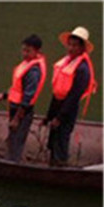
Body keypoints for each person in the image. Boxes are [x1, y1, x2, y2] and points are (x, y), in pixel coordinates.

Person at [44, 26, 97, 166]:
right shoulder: (66, 62)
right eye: (70, 44)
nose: (71, 48)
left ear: (82, 48)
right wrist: (49, 116)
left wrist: (59, 117)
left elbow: (74, 96)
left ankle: (60, 166)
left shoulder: (82, 69)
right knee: (53, 139)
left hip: (68, 109)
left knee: (62, 139)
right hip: (58, 105)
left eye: (75, 46)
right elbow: (57, 91)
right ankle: (53, 165)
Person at [0, 35, 47, 162]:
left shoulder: (34, 71)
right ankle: (10, 161)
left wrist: (17, 118)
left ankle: (12, 164)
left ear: (37, 51)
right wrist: (4, 95)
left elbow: (28, 97)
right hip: (15, 108)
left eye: (28, 51)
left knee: (16, 141)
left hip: (22, 112)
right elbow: (17, 87)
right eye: (23, 50)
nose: (24, 53)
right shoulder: (26, 64)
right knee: (12, 139)